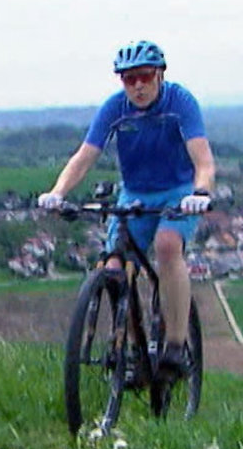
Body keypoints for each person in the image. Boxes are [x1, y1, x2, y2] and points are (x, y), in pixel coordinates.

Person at [36, 40, 216, 376]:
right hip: (134, 194)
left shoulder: (181, 103)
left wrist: (201, 191)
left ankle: (176, 344)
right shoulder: (115, 109)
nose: (137, 85)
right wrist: (58, 192)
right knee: (116, 266)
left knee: (166, 246)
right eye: (128, 79)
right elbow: (84, 156)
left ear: (160, 75)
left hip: (176, 192)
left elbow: (203, 160)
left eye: (145, 76)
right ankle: (133, 350)